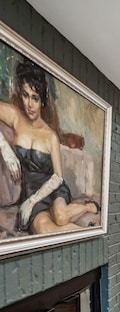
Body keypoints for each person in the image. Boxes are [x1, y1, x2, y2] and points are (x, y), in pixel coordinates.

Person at [0, 58, 99, 234]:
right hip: (30, 189)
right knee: (44, 229)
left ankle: (89, 207)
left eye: (35, 98)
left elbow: (58, 177)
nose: (29, 104)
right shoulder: (15, 116)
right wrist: (5, 148)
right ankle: (87, 234)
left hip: (52, 188)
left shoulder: (50, 136)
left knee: (60, 216)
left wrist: (31, 203)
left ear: (42, 101)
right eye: (25, 95)